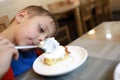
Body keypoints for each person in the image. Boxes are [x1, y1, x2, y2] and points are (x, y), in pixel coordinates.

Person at [0, 5, 58, 80]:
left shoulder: (35, 52)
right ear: (21, 16)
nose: (42, 39)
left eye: (46, 38)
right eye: (41, 29)